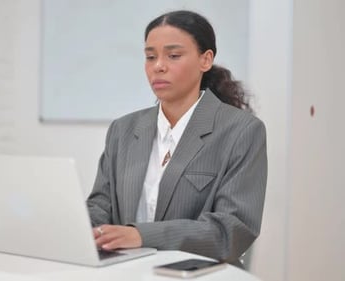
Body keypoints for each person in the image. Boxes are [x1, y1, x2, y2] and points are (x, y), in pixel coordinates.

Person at [86, 10, 267, 266]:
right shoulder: (123, 129)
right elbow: (100, 206)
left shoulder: (242, 131)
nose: (158, 66)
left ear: (205, 60)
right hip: (124, 270)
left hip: (197, 272)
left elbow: (232, 231)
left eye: (173, 55)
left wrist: (141, 235)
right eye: (150, 56)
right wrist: (81, 229)